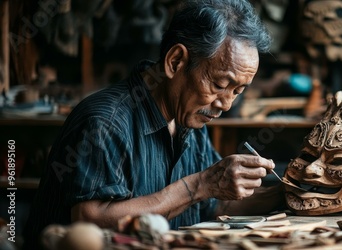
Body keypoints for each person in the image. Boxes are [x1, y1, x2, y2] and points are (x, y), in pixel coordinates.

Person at [23, 0, 284, 247]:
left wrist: (293, 192)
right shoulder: (105, 122)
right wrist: (199, 185)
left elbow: (215, 205)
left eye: (237, 92)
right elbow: (90, 219)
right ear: (175, 62)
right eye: (219, 85)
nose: (226, 104)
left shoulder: (188, 119)